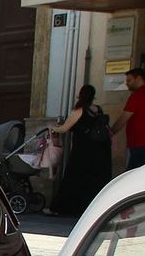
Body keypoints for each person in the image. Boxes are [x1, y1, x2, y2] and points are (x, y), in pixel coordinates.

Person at [46, 85, 113, 217]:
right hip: (100, 151)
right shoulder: (98, 110)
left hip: (83, 151)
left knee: (75, 178)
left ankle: (67, 208)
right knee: (94, 181)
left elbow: (64, 129)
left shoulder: (78, 111)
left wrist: (51, 127)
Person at [111, 67, 145, 170]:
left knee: (131, 174)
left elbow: (124, 118)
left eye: (129, 80)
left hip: (137, 142)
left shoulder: (137, 96)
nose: (127, 84)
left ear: (138, 78)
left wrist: (110, 133)